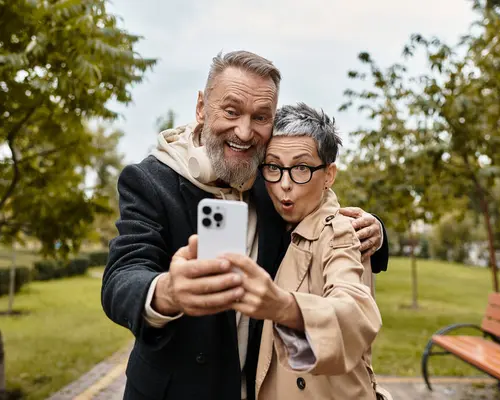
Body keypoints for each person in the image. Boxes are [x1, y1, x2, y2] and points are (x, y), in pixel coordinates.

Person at [101, 50, 389, 400]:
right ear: (201, 108)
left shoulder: (270, 179)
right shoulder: (149, 180)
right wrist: (167, 292)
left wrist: (374, 230)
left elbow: (319, 209)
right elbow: (123, 274)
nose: (244, 131)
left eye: (260, 117)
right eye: (231, 111)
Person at [217, 103, 388, 399]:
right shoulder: (269, 211)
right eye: (273, 167)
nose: (284, 184)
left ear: (329, 175)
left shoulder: (340, 232)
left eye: (301, 168)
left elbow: (355, 310)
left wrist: (285, 308)